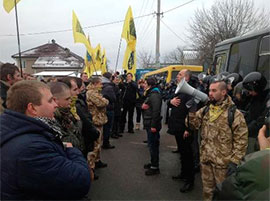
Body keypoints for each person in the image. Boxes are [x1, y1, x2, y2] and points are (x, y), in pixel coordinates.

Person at [1, 80, 90, 200]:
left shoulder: (18, 130)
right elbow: (80, 181)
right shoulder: (30, 149)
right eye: (50, 100)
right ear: (32, 108)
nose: (56, 104)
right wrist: (71, 150)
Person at [187, 80, 248, 201]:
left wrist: (234, 162)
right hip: (206, 161)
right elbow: (192, 125)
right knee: (207, 192)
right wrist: (191, 111)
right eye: (209, 90)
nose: (210, 93)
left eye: (214, 90)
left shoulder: (234, 114)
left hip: (223, 165)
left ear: (224, 92)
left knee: (223, 195)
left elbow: (241, 140)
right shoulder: (206, 110)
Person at [167, 69, 195, 193]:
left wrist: (188, 128)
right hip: (177, 126)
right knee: (182, 153)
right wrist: (170, 102)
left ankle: (190, 181)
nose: (177, 76)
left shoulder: (191, 91)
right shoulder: (179, 89)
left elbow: (192, 112)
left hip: (185, 129)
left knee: (188, 154)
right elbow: (170, 101)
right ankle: (183, 174)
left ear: (187, 78)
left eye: (180, 75)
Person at [242, 72, 269, 154]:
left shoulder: (267, 99)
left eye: (250, 90)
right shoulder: (256, 97)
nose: (249, 93)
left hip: (260, 136)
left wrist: (246, 130)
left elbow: (261, 119)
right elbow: (251, 113)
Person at [86, 76, 109, 172]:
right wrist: (105, 100)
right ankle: (91, 167)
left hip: (99, 119)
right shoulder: (92, 93)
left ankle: (97, 160)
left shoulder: (95, 92)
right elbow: (102, 103)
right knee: (95, 144)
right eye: (100, 83)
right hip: (95, 120)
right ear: (95, 84)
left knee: (99, 142)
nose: (102, 85)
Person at [142, 77, 162, 176]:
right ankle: (153, 163)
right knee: (151, 145)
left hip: (151, 123)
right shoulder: (151, 93)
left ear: (149, 85)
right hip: (149, 121)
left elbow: (156, 111)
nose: (143, 85)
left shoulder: (154, 94)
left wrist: (154, 125)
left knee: (153, 145)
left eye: (145, 83)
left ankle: (155, 167)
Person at [101, 72, 116, 149]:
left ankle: (103, 141)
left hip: (102, 109)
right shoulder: (109, 87)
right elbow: (114, 98)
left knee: (103, 127)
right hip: (109, 108)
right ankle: (106, 143)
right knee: (108, 127)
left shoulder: (101, 85)